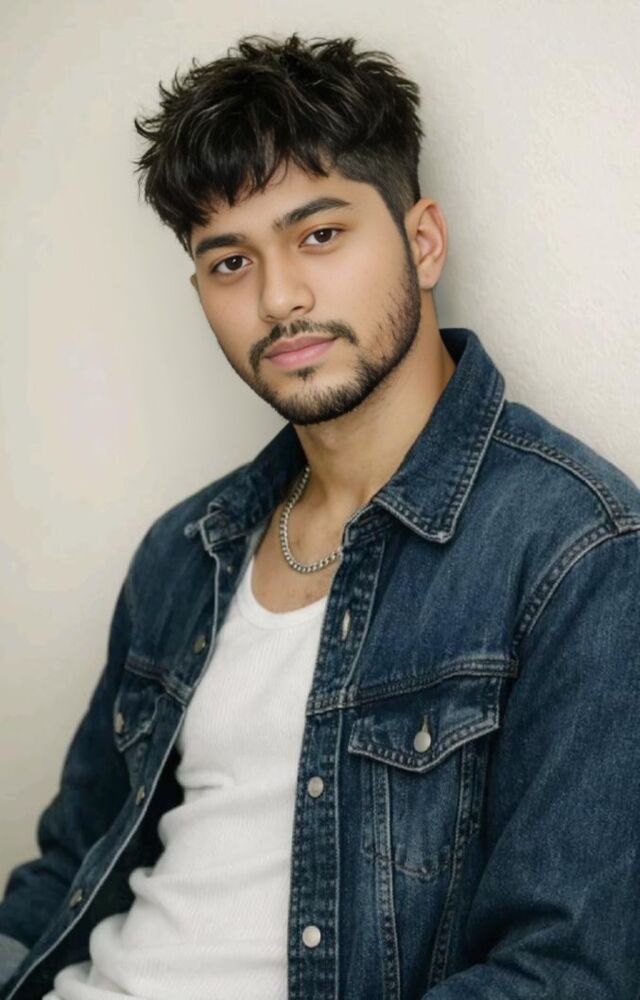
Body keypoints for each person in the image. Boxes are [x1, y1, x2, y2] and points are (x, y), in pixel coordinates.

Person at [1, 31, 639, 1000]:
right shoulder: (187, 549)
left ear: (423, 242)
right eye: (229, 262)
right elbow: (67, 871)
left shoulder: (578, 549)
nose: (278, 298)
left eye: (320, 235)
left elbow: (564, 972)